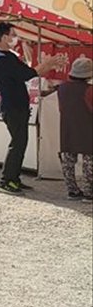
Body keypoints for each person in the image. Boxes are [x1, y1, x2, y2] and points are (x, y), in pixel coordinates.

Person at [0, 22, 39, 194]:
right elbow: (27, 74)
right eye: (13, 35)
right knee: (17, 144)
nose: (15, 38)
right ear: (4, 37)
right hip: (13, 107)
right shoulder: (2, 58)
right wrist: (46, 65)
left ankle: (14, 179)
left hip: (17, 106)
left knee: (21, 143)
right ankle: (6, 181)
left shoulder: (8, 56)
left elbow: (26, 70)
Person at [60, 57, 93, 202]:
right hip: (88, 129)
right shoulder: (89, 90)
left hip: (67, 128)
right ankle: (89, 192)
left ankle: (72, 190)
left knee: (68, 161)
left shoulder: (62, 88)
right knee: (89, 162)